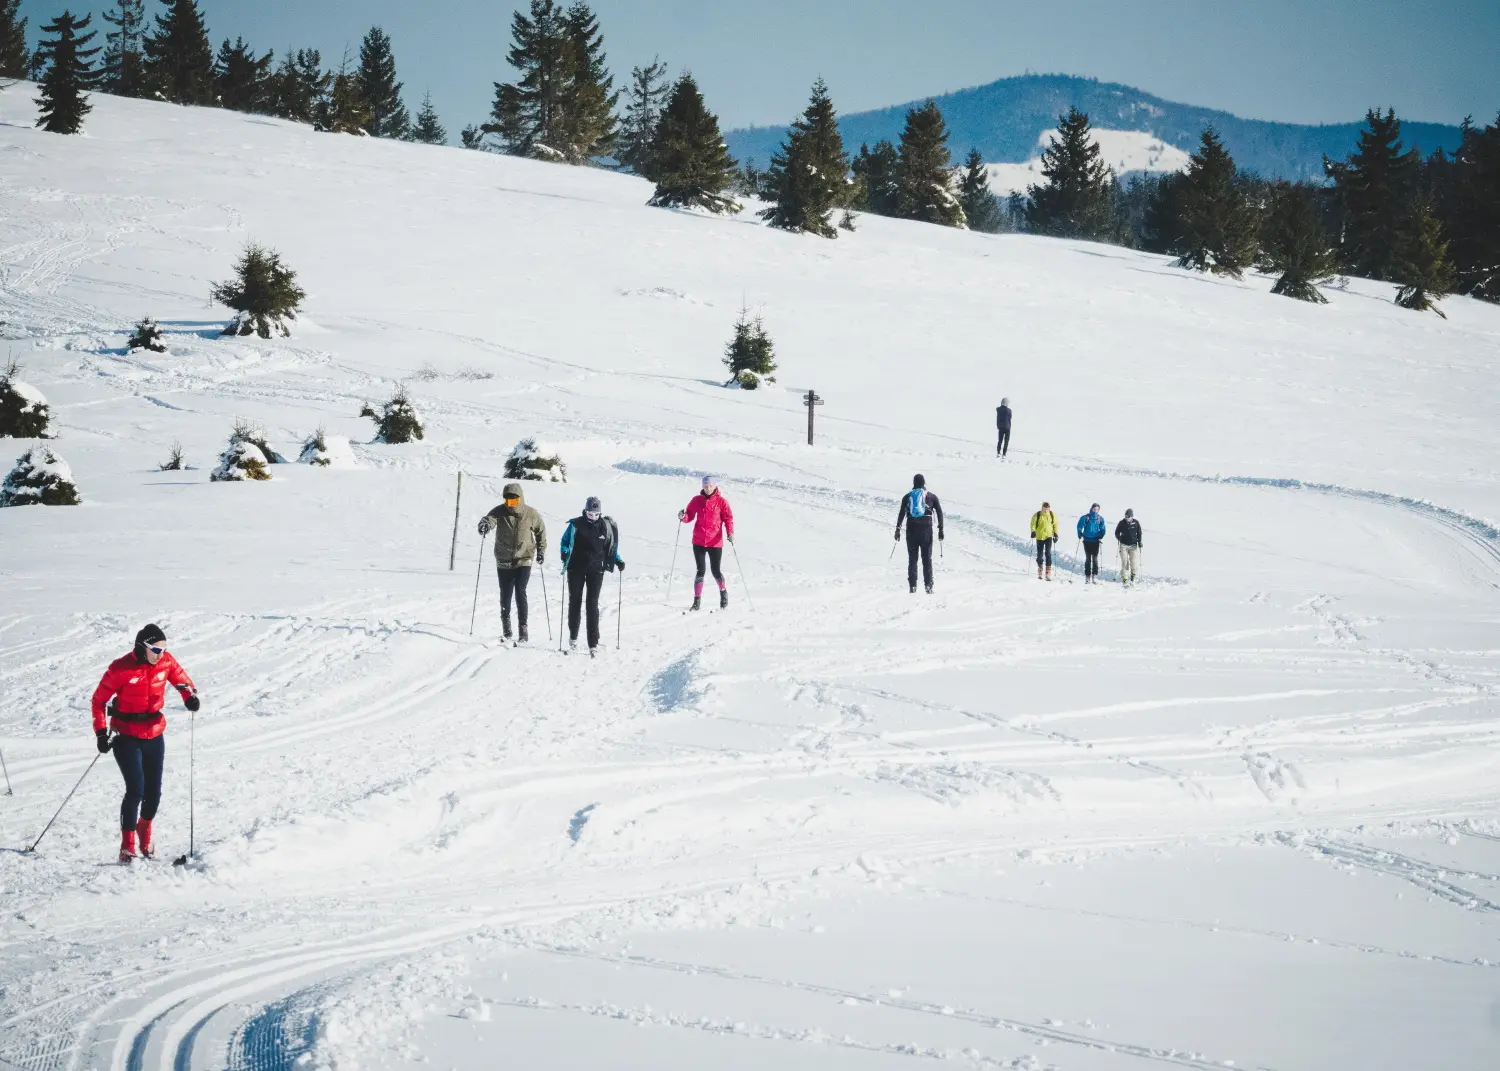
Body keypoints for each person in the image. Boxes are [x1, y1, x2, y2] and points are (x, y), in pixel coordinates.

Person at [90, 624, 200, 864]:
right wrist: (100, 733)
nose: (160, 654)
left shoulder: (165, 661)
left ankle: (144, 831)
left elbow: (182, 681)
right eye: (155, 649)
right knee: (136, 790)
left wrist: (189, 697)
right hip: (126, 735)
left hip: (155, 734)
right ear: (142, 647)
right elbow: (99, 701)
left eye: (163, 649)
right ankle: (127, 847)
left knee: (154, 792)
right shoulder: (120, 668)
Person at [478, 482, 547, 643]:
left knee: (520, 590)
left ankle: (523, 629)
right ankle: (507, 629)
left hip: (524, 558)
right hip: (504, 559)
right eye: (508, 502)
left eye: (514, 501)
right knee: (506, 593)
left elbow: (541, 532)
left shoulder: (531, 514)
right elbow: (489, 520)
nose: (511, 505)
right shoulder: (499, 512)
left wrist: (541, 552)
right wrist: (484, 525)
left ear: (520, 499)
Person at [559, 496, 623, 655]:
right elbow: (565, 541)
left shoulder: (605, 527)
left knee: (592, 605)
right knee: (575, 601)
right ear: (585, 511)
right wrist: (565, 552)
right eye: (590, 514)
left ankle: (593, 643)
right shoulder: (576, 524)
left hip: (596, 570)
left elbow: (611, 547)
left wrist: (618, 560)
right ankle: (573, 636)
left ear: (600, 513)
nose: (593, 517)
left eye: (596, 514)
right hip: (576, 568)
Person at [679, 476, 734, 611]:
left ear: (714, 486)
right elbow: (689, 516)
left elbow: (728, 518)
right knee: (700, 570)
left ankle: (723, 592)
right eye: (705, 486)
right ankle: (697, 601)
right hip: (698, 541)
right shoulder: (696, 500)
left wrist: (730, 533)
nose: (708, 489)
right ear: (702, 487)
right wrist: (683, 517)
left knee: (716, 571)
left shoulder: (722, 502)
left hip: (715, 542)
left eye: (710, 486)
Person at [894, 474, 945, 594]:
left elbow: (901, 513)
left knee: (912, 558)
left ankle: (912, 586)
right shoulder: (931, 497)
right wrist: (941, 529)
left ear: (913, 483)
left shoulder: (907, 497)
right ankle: (928, 586)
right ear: (924, 483)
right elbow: (939, 512)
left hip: (911, 528)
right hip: (926, 529)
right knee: (927, 558)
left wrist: (897, 530)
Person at [1076, 503, 1107, 584]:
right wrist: (1080, 533)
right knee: (1088, 558)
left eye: (1097, 509)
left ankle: (1094, 575)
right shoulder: (1086, 517)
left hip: (1096, 541)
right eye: (1094, 509)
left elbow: (1103, 528)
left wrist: (1101, 535)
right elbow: (1079, 526)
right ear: (1091, 509)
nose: (1095, 511)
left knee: (1095, 559)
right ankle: (1087, 576)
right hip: (1087, 541)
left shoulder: (1100, 518)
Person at [1030, 501, 1059, 581]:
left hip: (1048, 536)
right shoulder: (1038, 515)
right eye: (1044, 507)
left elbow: (1055, 524)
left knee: (1048, 553)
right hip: (1039, 536)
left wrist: (1056, 534)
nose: (1046, 509)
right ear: (1042, 507)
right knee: (1040, 554)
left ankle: (1048, 573)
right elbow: (1032, 523)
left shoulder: (1052, 515)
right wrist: (1033, 531)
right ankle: (1040, 569)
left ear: (1049, 508)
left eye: (1047, 507)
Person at [1115, 507, 1144, 585]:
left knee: (1133, 562)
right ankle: (1125, 578)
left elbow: (1139, 533)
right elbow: (1117, 532)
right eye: (1125, 516)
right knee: (1125, 562)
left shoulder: (1136, 523)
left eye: (1128, 516)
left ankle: (1132, 576)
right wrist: (1119, 537)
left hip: (1133, 545)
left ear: (1131, 516)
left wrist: (1140, 542)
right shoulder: (1122, 523)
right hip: (1123, 545)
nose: (1126, 518)